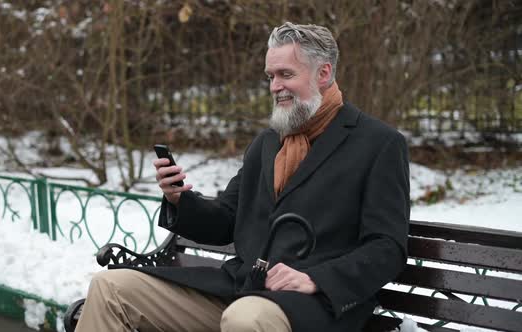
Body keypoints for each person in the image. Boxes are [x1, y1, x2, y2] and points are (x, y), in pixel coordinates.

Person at [75, 22, 410, 332]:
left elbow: (387, 247)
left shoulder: (379, 144)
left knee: (245, 318)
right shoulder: (268, 142)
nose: (275, 86)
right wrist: (181, 199)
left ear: (323, 73)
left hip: (316, 306)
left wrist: (317, 279)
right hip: (240, 289)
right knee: (111, 288)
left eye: (285, 74)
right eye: (270, 76)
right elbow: (227, 219)